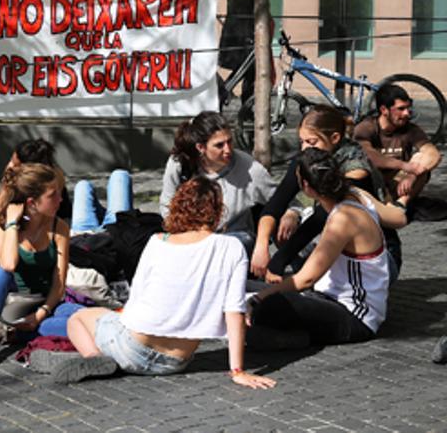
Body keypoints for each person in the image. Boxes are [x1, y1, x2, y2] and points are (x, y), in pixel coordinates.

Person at [50, 177, 275, 389]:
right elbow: (234, 310)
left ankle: (95, 358)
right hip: (176, 361)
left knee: (77, 318)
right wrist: (238, 371)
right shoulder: (231, 247)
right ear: (217, 211)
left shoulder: (157, 242)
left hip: (132, 349)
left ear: (178, 208)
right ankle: (99, 356)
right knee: (89, 315)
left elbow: (136, 298)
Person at [249, 148, 390, 348]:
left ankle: (296, 337)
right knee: (242, 287)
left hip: (355, 316)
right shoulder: (351, 195)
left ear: (306, 186)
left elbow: (305, 278)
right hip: (324, 297)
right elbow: (396, 217)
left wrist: (257, 300)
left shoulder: (343, 219)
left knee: (271, 305)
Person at [253, 105, 398, 279]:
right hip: (335, 245)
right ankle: (304, 275)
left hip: (378, 258)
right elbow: (276, 204)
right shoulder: (308, 157)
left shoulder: (356, 168)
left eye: (311, 142)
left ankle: (307, 278)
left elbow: (320, 219)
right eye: (302, 142)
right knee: (269, 218)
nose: (305, 148)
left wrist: (279, 260)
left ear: (335, 138)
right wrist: (261, 247)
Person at [0, 163, 75, 374]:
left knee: (85, 320)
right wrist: (13, 224)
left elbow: (59, 283)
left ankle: (12, 335)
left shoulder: (58, 227)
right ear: (32, 202)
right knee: (1, 274)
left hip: (46, 307)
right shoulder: (2, 226)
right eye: (53, 195)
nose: (60, 200)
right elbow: (8, 265)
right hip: (15, 306)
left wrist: (41, 314)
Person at [159, 111, 275, 251]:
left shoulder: (249, 168)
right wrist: (183, 236)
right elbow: (167, 205)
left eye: (230, 142)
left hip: (232, 239)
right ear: (201, 148)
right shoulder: (180, 164)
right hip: (189, 237)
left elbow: (283, 201)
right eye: (219, 145)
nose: (228, 150)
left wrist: (290, 214)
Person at [354, 83, 441, 206]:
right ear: (384, 110)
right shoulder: (366, 128)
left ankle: (400, 206)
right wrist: (405, 166)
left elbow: (433, 154)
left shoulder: (410, 129)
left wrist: (412, 175)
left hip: (398, 184)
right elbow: (368, 155)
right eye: (400, 109)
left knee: (421, 160)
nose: (407, 114)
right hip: (372, 186)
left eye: (408, 108)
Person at [215, 0, 260, 103]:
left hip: (231, 34)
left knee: (244, 69)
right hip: (248, 35)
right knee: (248, 71)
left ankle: (225, 93)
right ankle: (227, 94)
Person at [0, 139, 72, 220]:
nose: (9, 166)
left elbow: (1, 211)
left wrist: (6, 184)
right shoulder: (54, 173)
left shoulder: (45, 183)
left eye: (15, 164)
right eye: (10, 161)